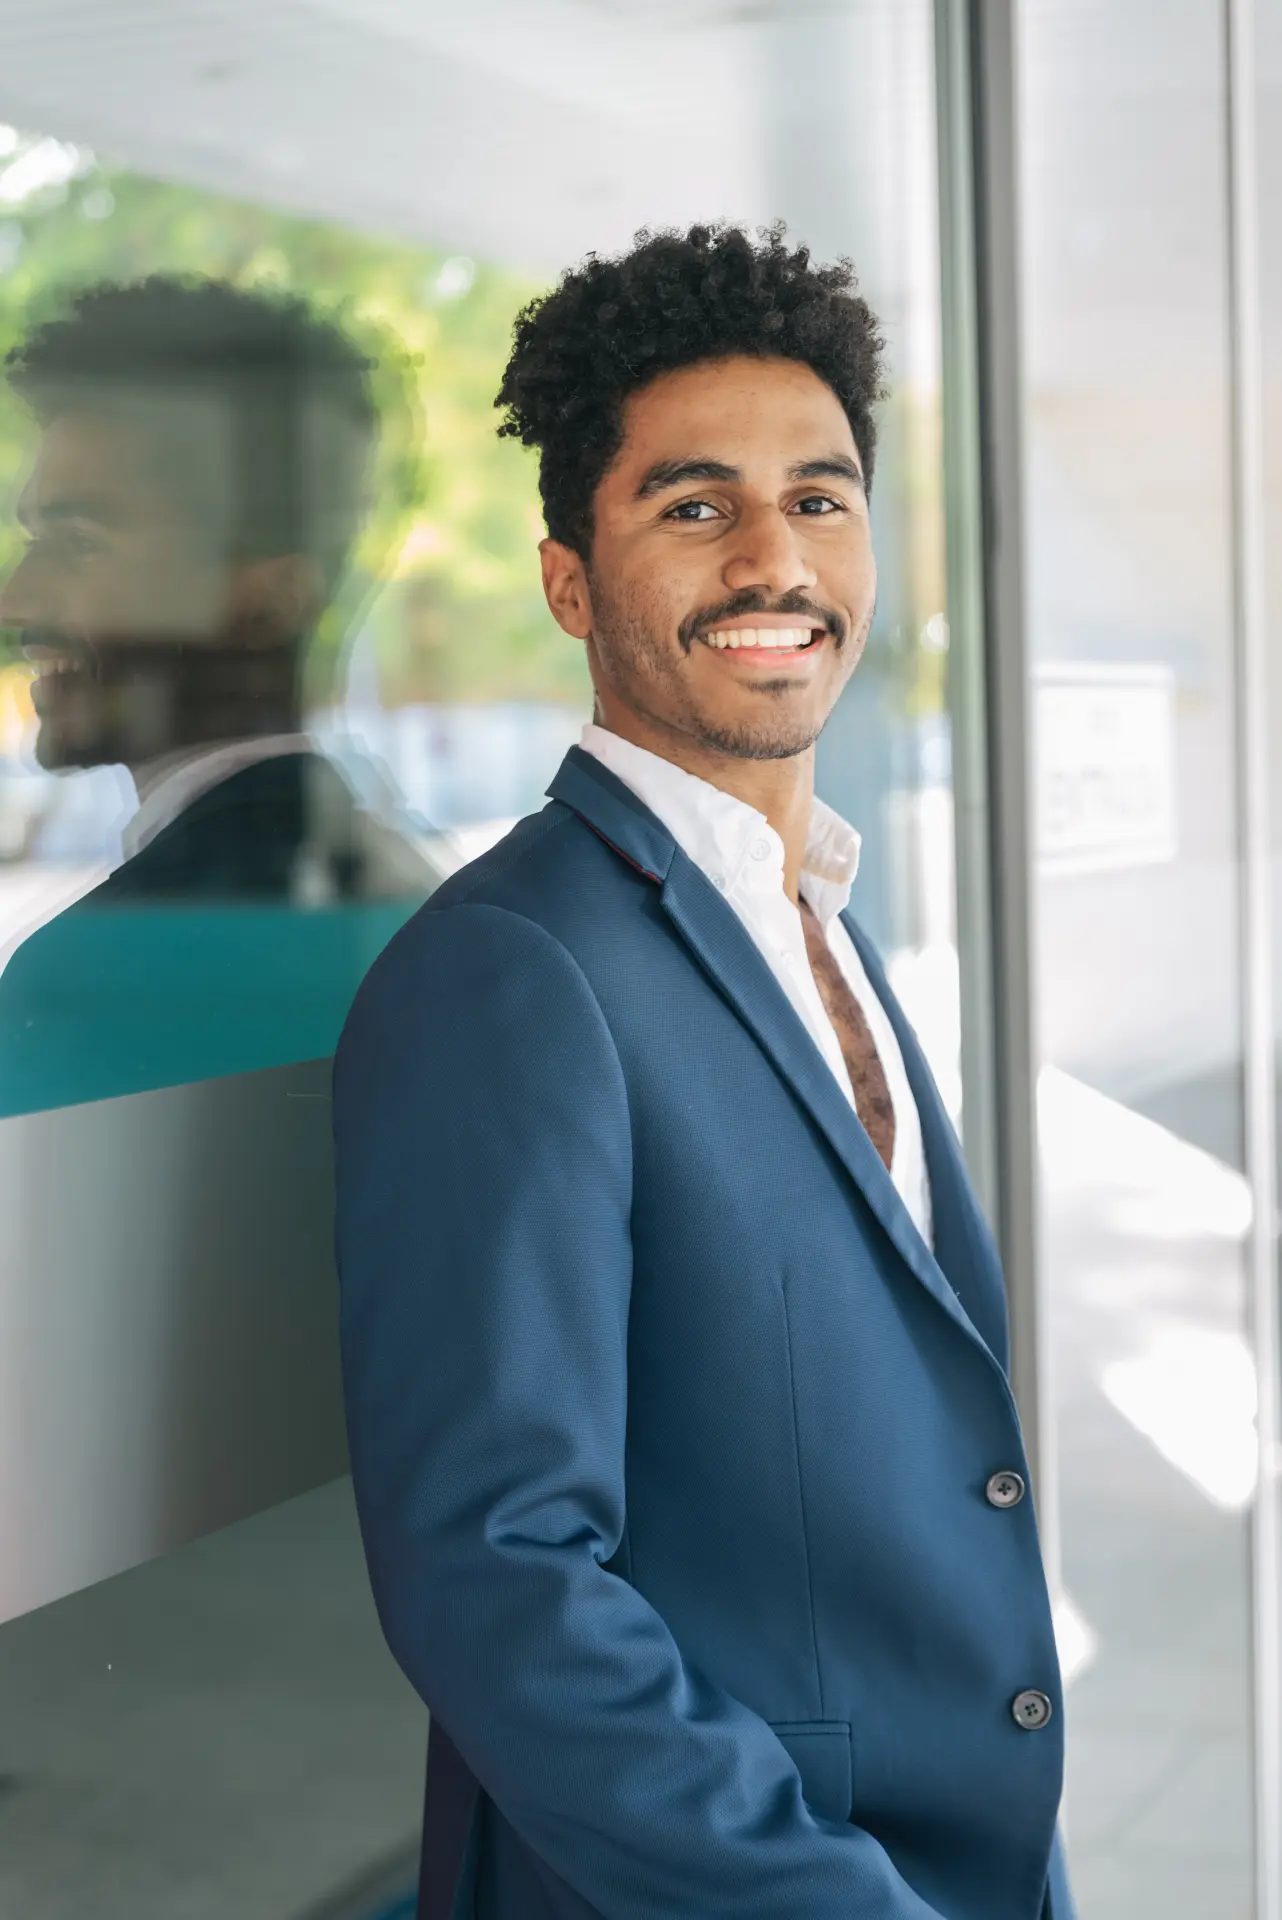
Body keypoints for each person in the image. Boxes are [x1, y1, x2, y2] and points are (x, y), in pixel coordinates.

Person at [334, 224, 1073, 1920]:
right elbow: (496, 1580)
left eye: (817, 499)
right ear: (570, 581)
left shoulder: (815, 911)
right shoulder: (510, 974)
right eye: (693, 506)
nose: (772, 559)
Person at [0, 276, 436, 1113]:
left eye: (79, 542)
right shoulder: (413, 892)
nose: (18, 599)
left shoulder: (96, 975)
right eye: (34, 540)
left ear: (268, 599)